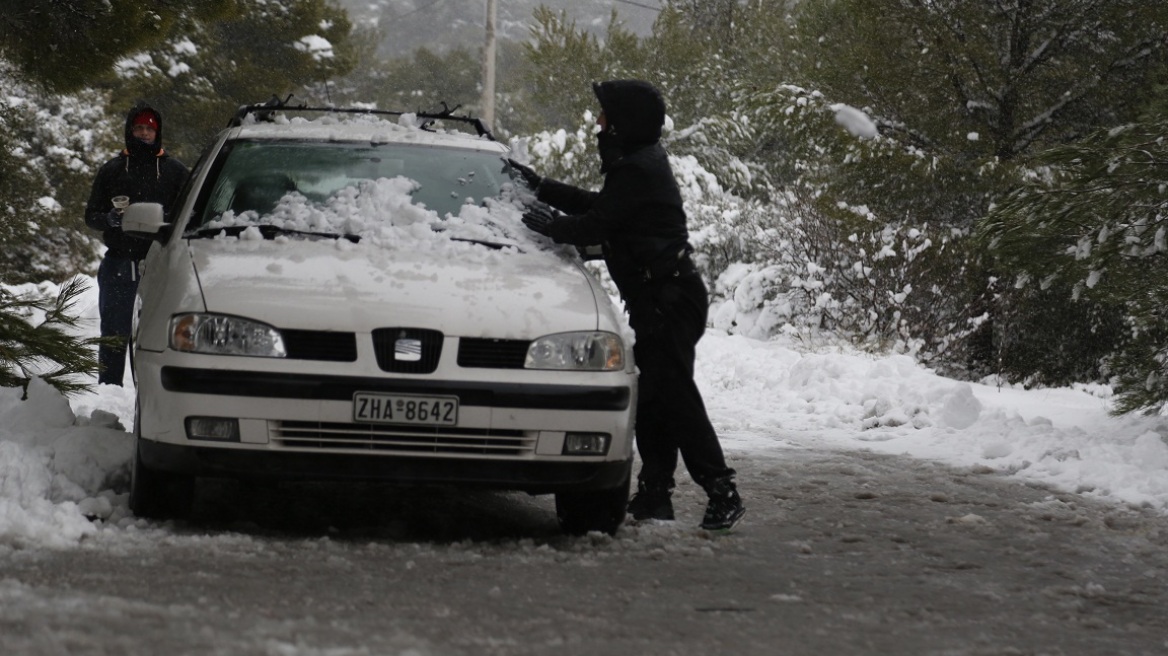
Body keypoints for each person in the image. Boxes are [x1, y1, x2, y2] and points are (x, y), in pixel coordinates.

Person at [510, 80, 746, 531]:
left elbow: (596, 221)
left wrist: (556, 226)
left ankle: (722, 490)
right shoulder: (637, 165)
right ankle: (655, 494)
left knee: (674, 398)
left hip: (668, 298)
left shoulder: (638, 168)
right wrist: (544, 188)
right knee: (654, 398)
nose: (598, 124)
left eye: (604, 117)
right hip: (662, 296)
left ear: (623, 124)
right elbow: (603, 207)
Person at [85, 102, 189, 386]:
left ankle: (155, 394)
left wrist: (167, 220)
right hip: (119, 263)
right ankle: (110, 393)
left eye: (149, 129)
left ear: (158, 133)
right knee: (114, 335)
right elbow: (90, 216)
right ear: (130, 131)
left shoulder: (175, 171)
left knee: (158, 336)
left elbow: (191, 215)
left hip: (160, 263)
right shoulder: (113, 169)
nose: (144, 133)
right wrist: (108, 219)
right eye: (139, 127)